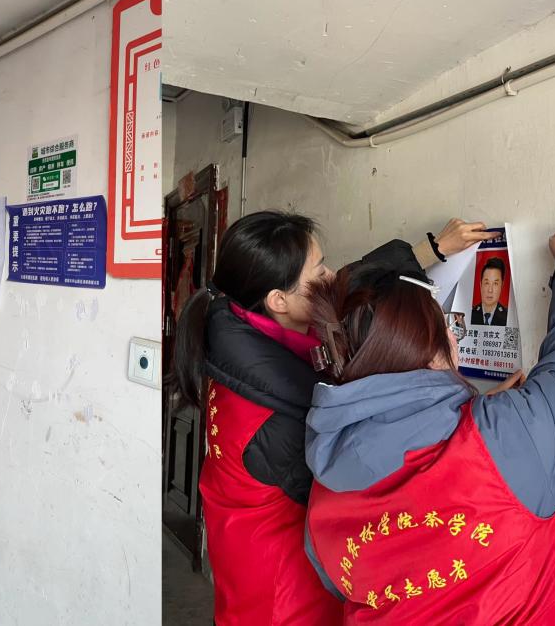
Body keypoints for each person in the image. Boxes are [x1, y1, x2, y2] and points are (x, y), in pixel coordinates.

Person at [171, 210, 496, 625]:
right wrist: (474, 420)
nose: (331, 275)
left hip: (245, 567)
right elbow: (373, 484)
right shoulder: (277, 419)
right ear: (279, 300)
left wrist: (430, 250)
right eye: (319, 268)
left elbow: (349, 282)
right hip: (281, 599)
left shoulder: (245, 335)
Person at [304, 228, 555, 624]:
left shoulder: (323, 489)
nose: (453, 334)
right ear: (433, 356)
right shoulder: (506, 441)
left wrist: (477, 417)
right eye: (444, 325)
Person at [470, 257, 508, 326]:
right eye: (487, 283)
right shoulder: (470, 313)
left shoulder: (507, 316)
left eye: (495, 283)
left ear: (501, 286)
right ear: (481, 285)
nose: (490, 290)